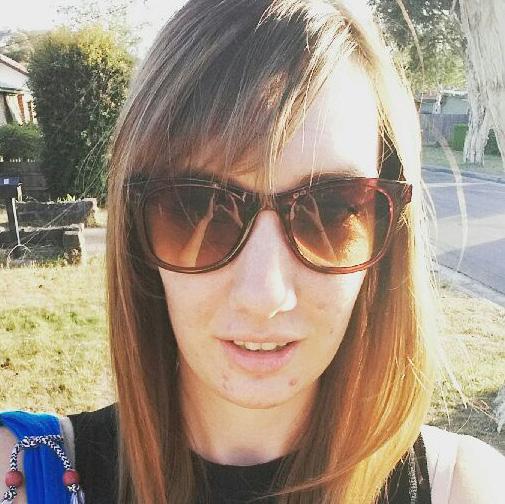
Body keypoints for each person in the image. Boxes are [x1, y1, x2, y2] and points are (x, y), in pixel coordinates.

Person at [1, 0, 504, 503]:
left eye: (333, 209)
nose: (264, 296)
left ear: (388, 233)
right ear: (136, 230)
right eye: (197, 207)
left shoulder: (465, 489)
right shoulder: (18, 476)